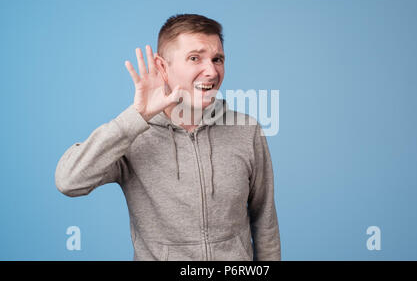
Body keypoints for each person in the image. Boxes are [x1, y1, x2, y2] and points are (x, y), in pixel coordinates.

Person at [55, 14, 281, 261]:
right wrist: (137, 116)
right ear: (162, 67)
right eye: (195, 58)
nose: (212, 71)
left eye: (218, 59)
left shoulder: (246, 130)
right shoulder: (133, 136)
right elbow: (69, 181)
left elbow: (264, 221)